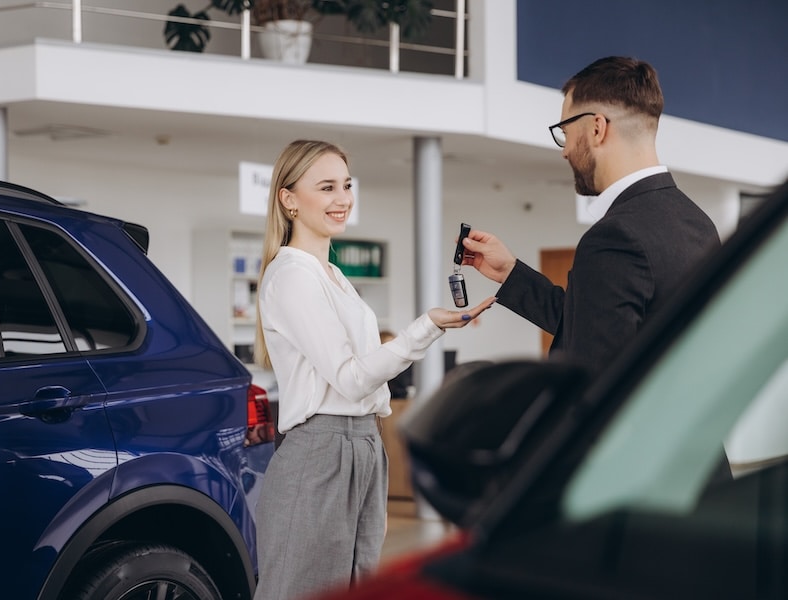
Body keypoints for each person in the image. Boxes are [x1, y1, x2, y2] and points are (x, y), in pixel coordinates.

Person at [252, 139, 494, 600]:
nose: (342, 199)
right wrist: (424, 328)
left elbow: (361, 371)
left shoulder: (333, 276)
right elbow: (350, 377)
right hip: (321, 452)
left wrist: (430, 326)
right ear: (289, 200)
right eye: (326, 187)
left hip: (363, 443)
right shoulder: (292, 275)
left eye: (346, 185)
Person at [461, 56, 721, 375]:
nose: (564, 150)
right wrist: (512, 273)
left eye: (565, 131)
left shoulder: (614, 237)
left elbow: (590, 379)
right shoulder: (699, 224)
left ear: (597, 128)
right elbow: (593, 325)